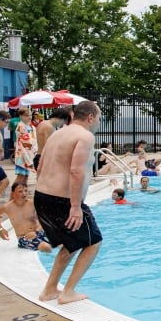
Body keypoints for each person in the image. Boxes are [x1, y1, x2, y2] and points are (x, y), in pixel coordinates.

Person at [33, 100, 103, 304]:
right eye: (98, 117)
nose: (99, 121)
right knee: (94, 241)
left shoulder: (58, 133)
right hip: (64, 201)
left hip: (43, 196)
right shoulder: (85, 136)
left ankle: (50, 289)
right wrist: (75, 207)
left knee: (71, 243)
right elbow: (76, 171)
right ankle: (68, 292)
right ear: (90, 117)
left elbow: (40, 165)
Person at [0, 182, 52, 253]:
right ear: (13, 194)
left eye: (25, 191)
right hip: (25, 237)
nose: (24, 193)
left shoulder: (32, 204)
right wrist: (1, 229)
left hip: (38, 232)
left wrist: (36, 232)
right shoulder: (7, 207)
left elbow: (45, 219)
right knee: (45, 247)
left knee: (63, 243)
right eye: (20, 191)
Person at [14, 107, 37, 186]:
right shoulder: (21, 126)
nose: (29, 117)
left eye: (30, 115)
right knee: (21, 176)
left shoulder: (30, 126)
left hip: (28, 154)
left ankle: (22, 195)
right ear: (21, 116)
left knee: (25, 176)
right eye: (26, 115)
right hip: (22, 154)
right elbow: (25, 141)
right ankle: (14, 195)